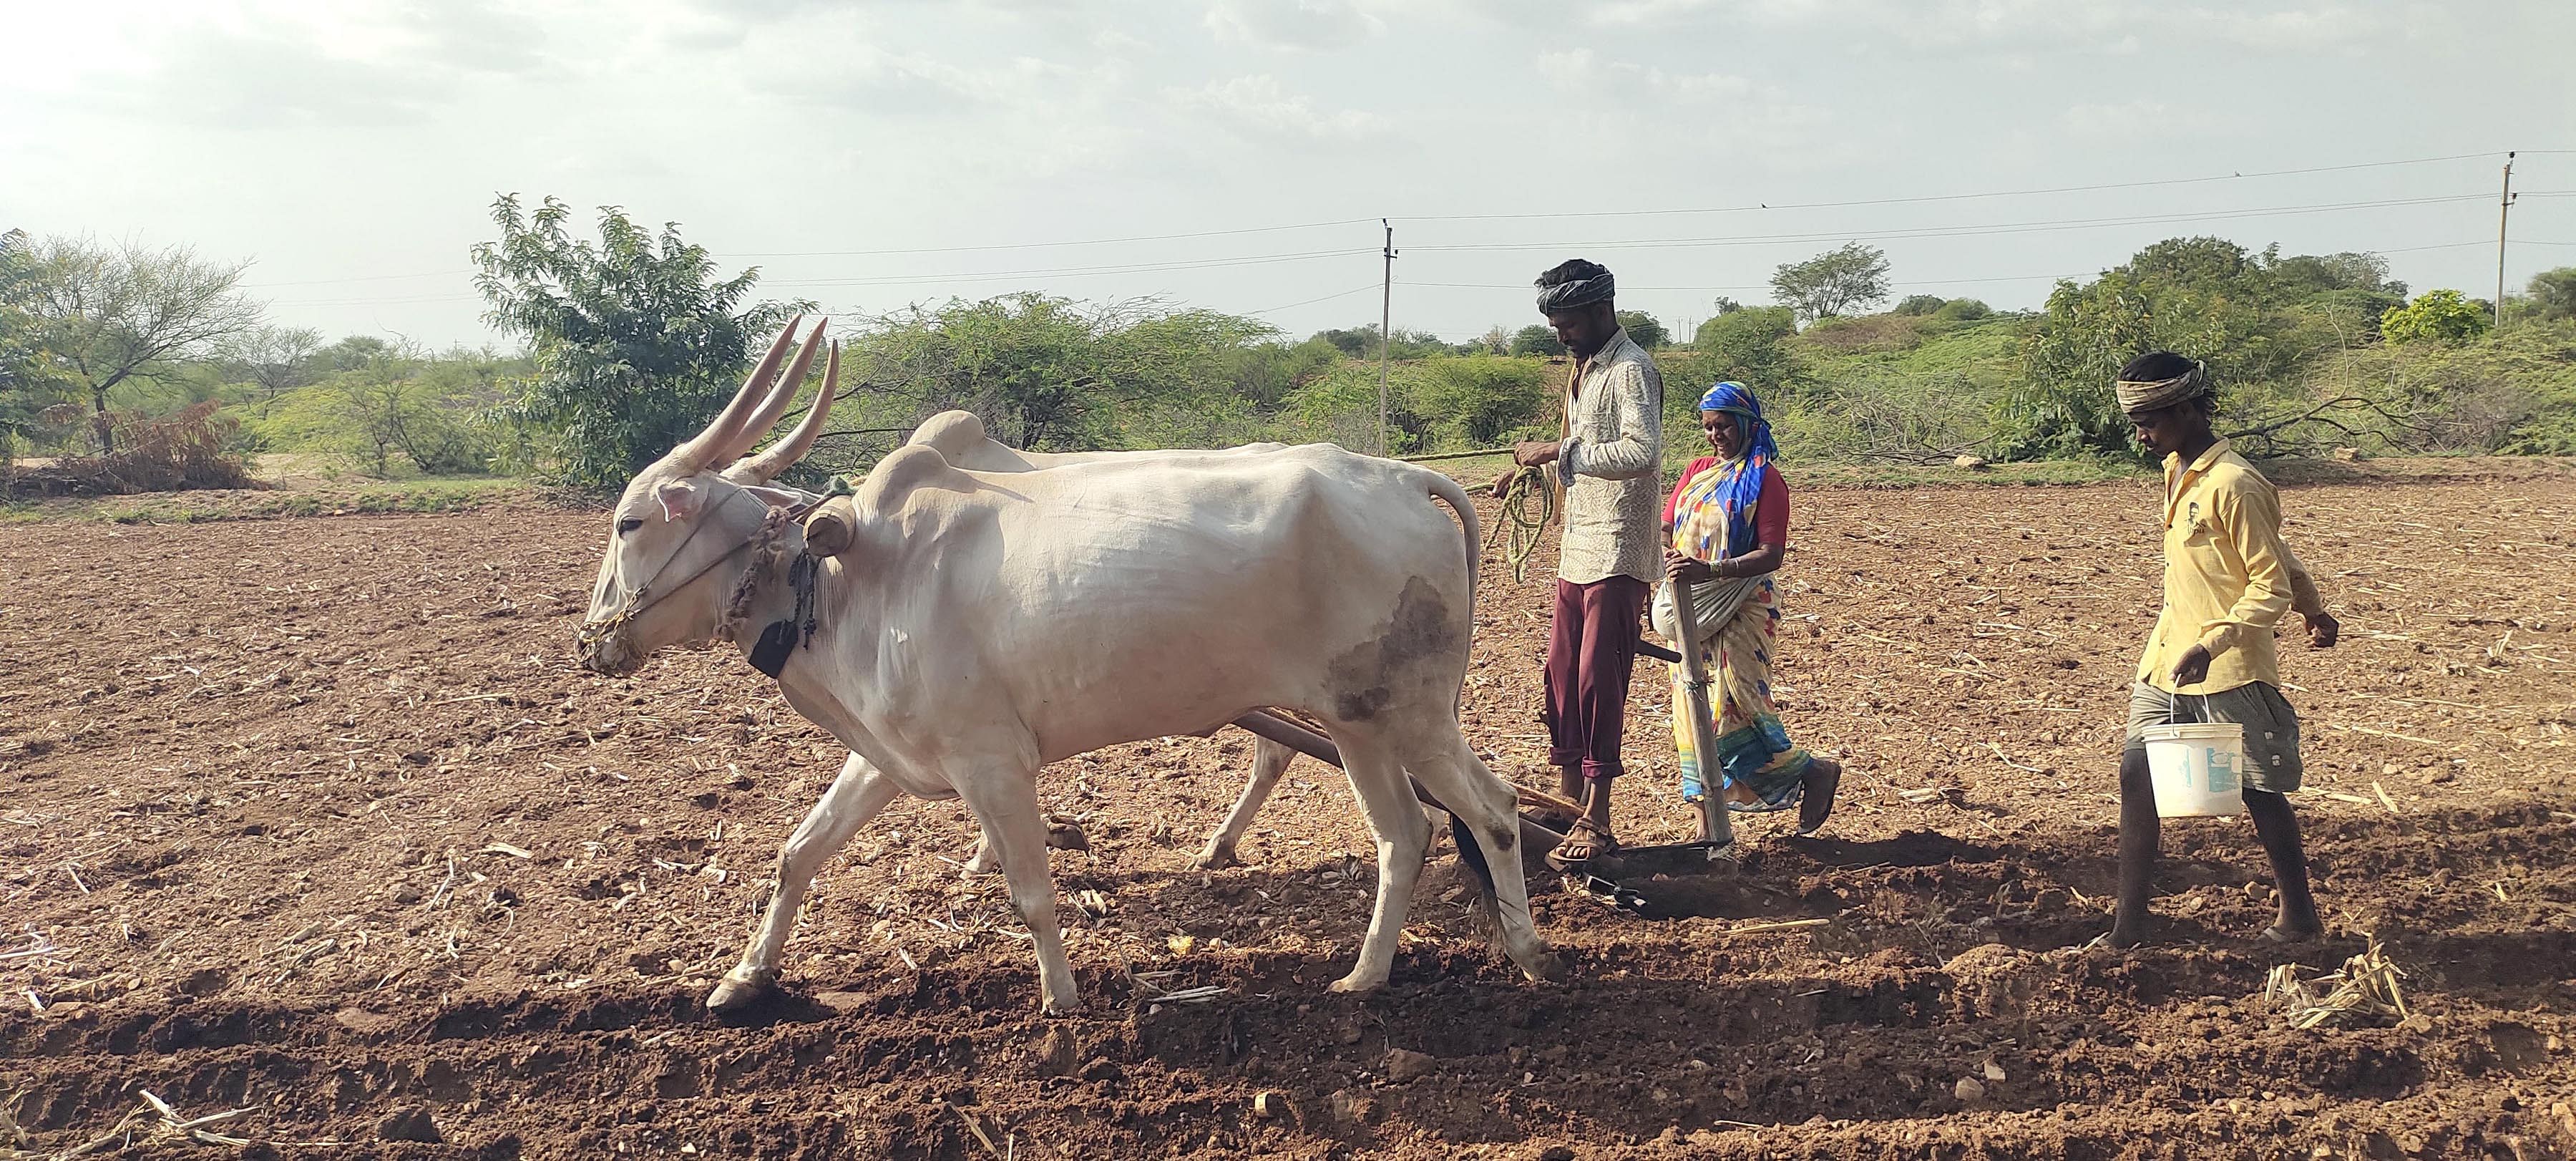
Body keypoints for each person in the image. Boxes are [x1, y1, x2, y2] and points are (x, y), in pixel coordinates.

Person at [2109, 350, 2341, 948]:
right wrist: (2314, 607)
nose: (2142, 437)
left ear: (2186, 410)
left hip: (2229, 666)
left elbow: (2267, 575)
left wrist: (2217, 642)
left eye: (2150, 423)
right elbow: (2281, 561)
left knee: (2257, 791)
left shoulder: (2235, 484)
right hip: (2166, 659)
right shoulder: (2176, 471)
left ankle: (2300, 918)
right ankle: (2127, 929)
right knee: (2137, 774)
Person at [1500, 258, 1663, 865]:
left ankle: (1598, 817)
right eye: (1555, 326)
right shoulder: (1583, 370)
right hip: (1578, 544)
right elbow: (1574, 451)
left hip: (1619, 547)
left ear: (1601, 312)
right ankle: (1566, 802)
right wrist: (1527, 467)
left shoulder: (1631, 370)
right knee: (1561, 674)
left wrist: (1558, 449)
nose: (1561, 335)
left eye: (1568, 324)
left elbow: (1644, 452)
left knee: (1599, 679)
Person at [1656, 382, 1841, 839]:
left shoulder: (1765, 478)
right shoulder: (1698, 471)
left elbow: (1771, 553)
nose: (1714, 435)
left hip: (1740, 604)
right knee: (1689, 708)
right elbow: (1667, 525)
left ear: (1745, 425)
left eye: (1722, 426)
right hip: (1691, 602)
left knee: (1733, 705)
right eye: (1708, 427)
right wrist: (1675, 560)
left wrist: (1711, 569)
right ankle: (1707, 827)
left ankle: (1811, 771)